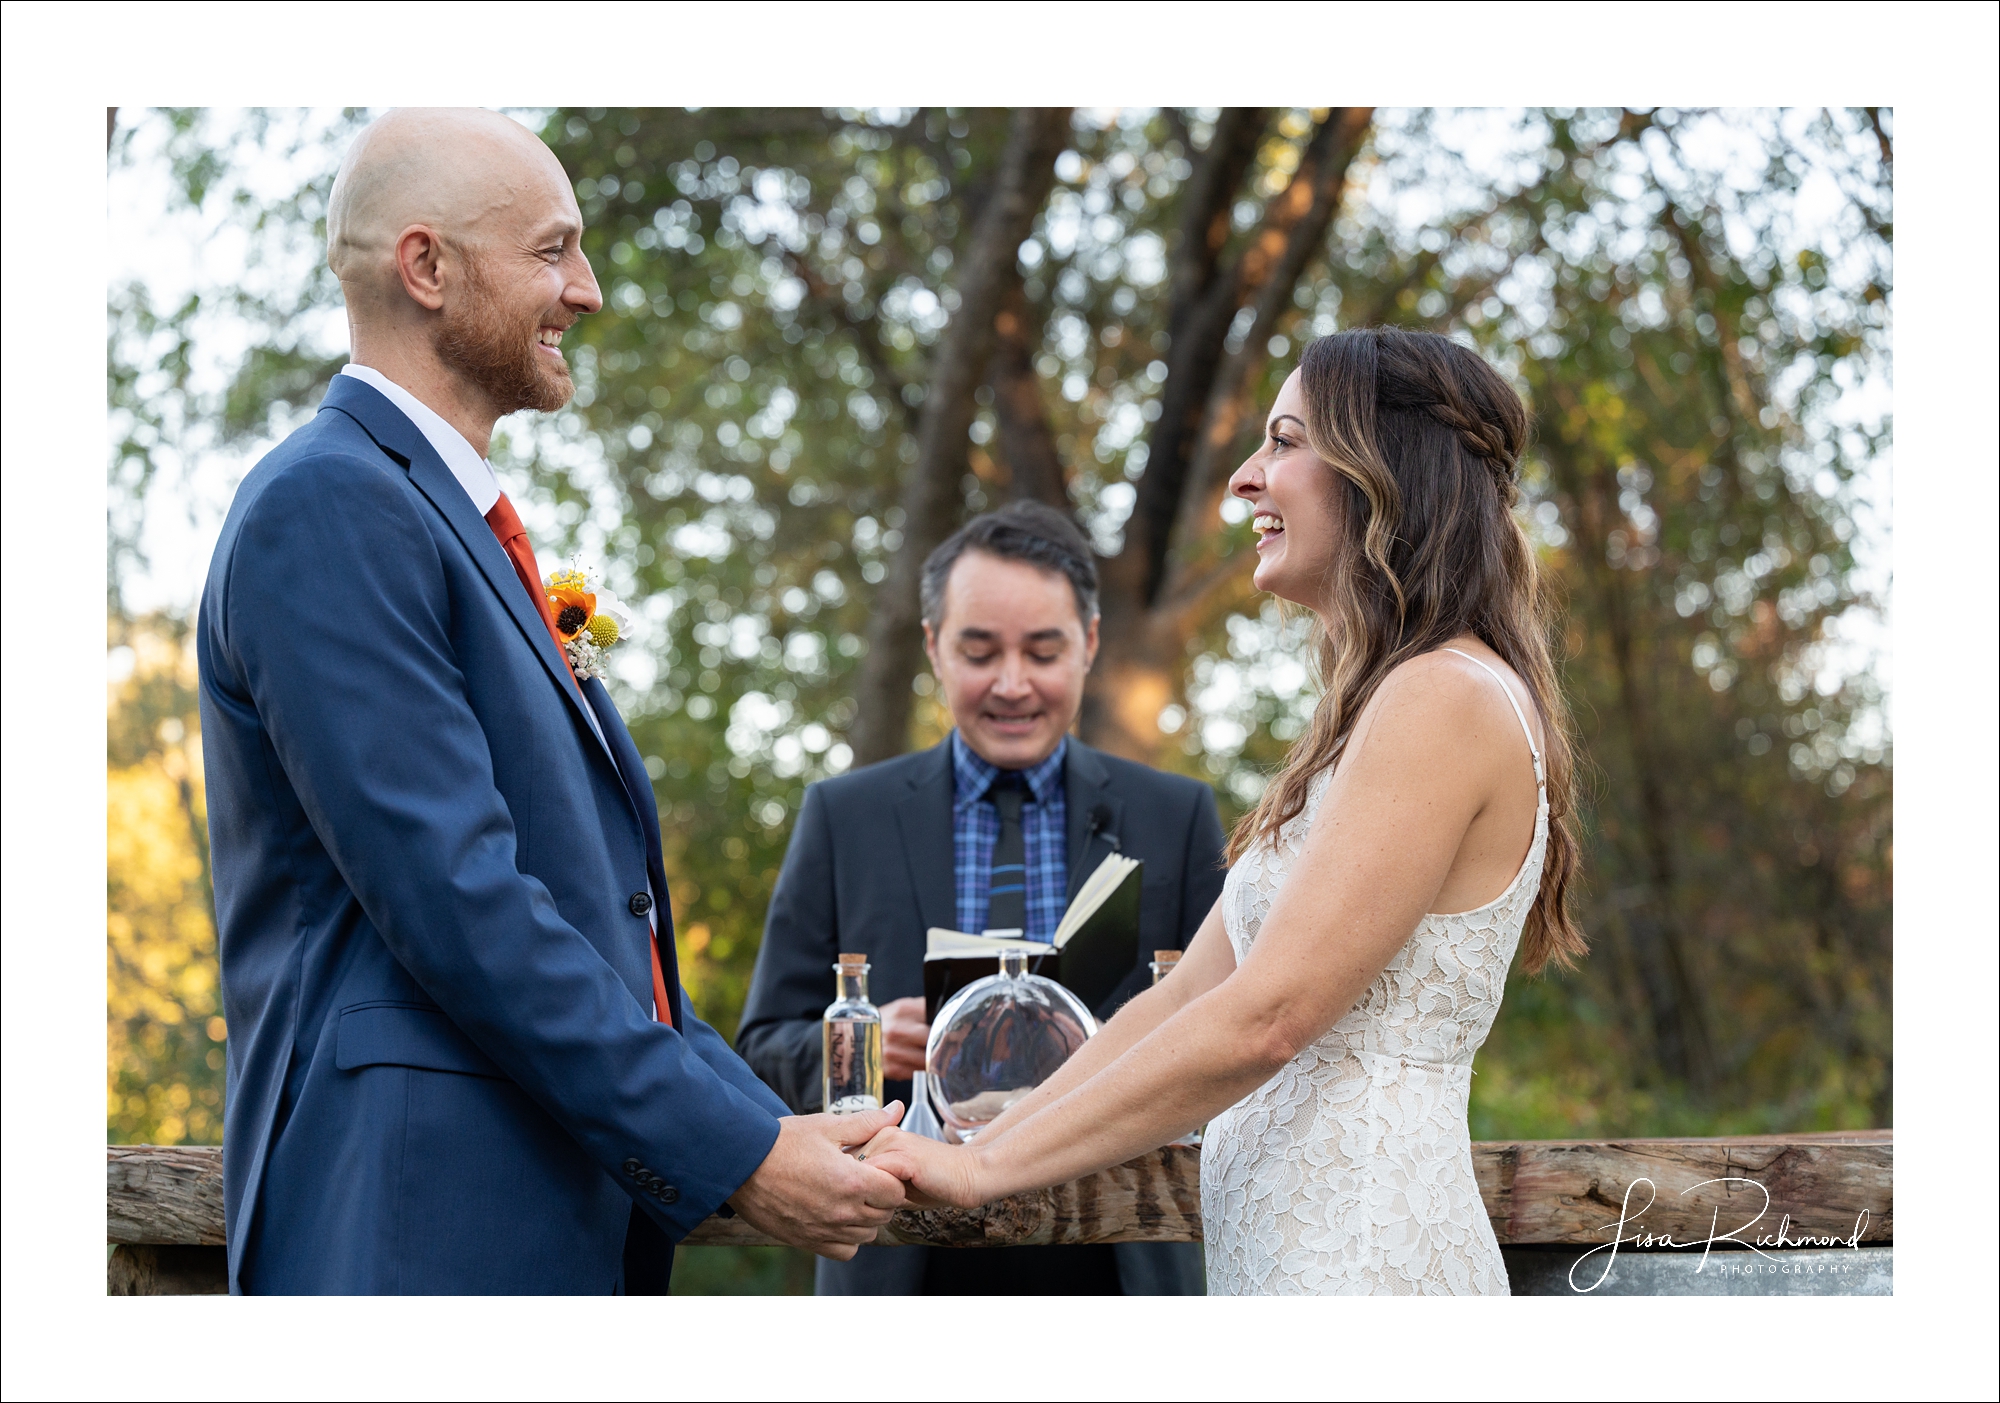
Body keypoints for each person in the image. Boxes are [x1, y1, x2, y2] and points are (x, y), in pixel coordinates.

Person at [197, 108, 906, 1295]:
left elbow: (596, 930)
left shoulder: (434, 518)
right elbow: (462, 904)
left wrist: (768, 1129)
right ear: (427, 267)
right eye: (550, 250)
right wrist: (736, 1152)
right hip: (413, 1225)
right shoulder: (328, 506)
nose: (584, 290)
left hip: (533, 1216)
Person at [861, 328, 1588, 1295]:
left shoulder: (1441, 697)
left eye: (1285, 441)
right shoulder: (1391, 705)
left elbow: (1268, 1017)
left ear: (1383, 471)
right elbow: (1184, 997)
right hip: (1291, 1258)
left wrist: (986, 1173)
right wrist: (980, 1132)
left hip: (1363, 1265)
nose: (1247, 479)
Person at [736, 501, 1224, 1295]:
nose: (1011, 683)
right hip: (900, 1262)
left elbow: (1226, 1029)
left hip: (1120, 1259)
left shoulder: (1175, 816)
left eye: (1042, 650)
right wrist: (861, 1043)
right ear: (934, 646)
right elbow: (758, 1048)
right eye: (979, 650)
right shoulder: (843, 816)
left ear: (1090, 643)